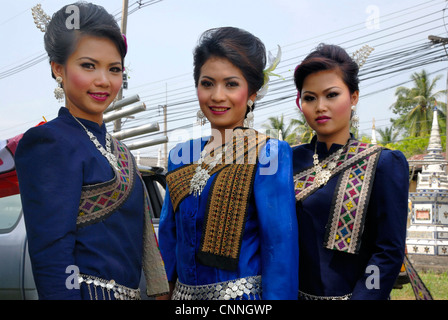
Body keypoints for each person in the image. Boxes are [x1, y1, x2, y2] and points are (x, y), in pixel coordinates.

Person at [15, 2, 168, 300]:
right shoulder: (48, 142)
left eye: (114, 69)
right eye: (88, 65)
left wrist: (161, 292)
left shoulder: (122, 152)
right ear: (58, 68)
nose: (103, 80)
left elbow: (144, 237)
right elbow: (51, 251)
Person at [158, 27, 298, 300]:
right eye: (207, 83)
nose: (217, 96)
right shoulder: (180, 156)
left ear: (253, 93)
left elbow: (279, 249)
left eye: (231, 84)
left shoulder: (268, 153)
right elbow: (168, 239)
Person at [292, 43, 409, 300]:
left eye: (331, 95)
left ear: (353, 97)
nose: (320, 106)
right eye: (310, 98)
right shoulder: (287, 161)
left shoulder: (384, 163)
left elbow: (388, 250)